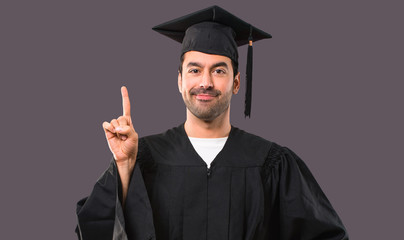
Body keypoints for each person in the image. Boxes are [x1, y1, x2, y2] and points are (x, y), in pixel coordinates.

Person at [75, 6, 349, 240]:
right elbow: (91, 232)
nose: (206, 81)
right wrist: (124, 169)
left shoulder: (271, 163)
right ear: (180, 80)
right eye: (195, 70)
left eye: (219, 70)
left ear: (236, 82)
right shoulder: (143, 157)